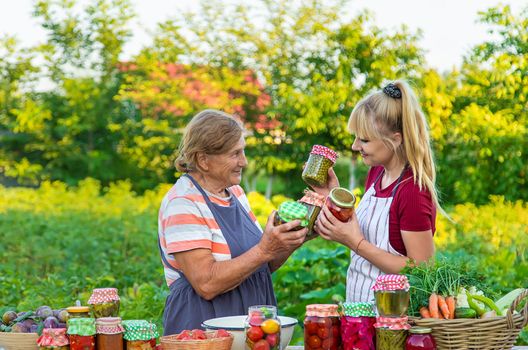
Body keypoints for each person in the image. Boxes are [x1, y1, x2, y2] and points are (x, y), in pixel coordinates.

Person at [158, 109, 307, 334]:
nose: (244, 162)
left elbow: (261, 266)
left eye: (243, 151)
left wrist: (295, 235)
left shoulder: (234, 193)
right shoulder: (183, 203)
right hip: (204, 330)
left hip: (251, 327)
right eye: (235, 154)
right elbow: (206, 283)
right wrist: (264, 250)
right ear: (203, 160)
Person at [314, 80, 440, 303]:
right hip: (361, 309)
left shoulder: (412, 191)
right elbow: (366, 230)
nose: (354, 146)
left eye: (364, 140)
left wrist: (356, 244)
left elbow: (422, 268)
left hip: (392, 321)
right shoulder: (377, 173)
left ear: (395, 140)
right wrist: (334, 196)